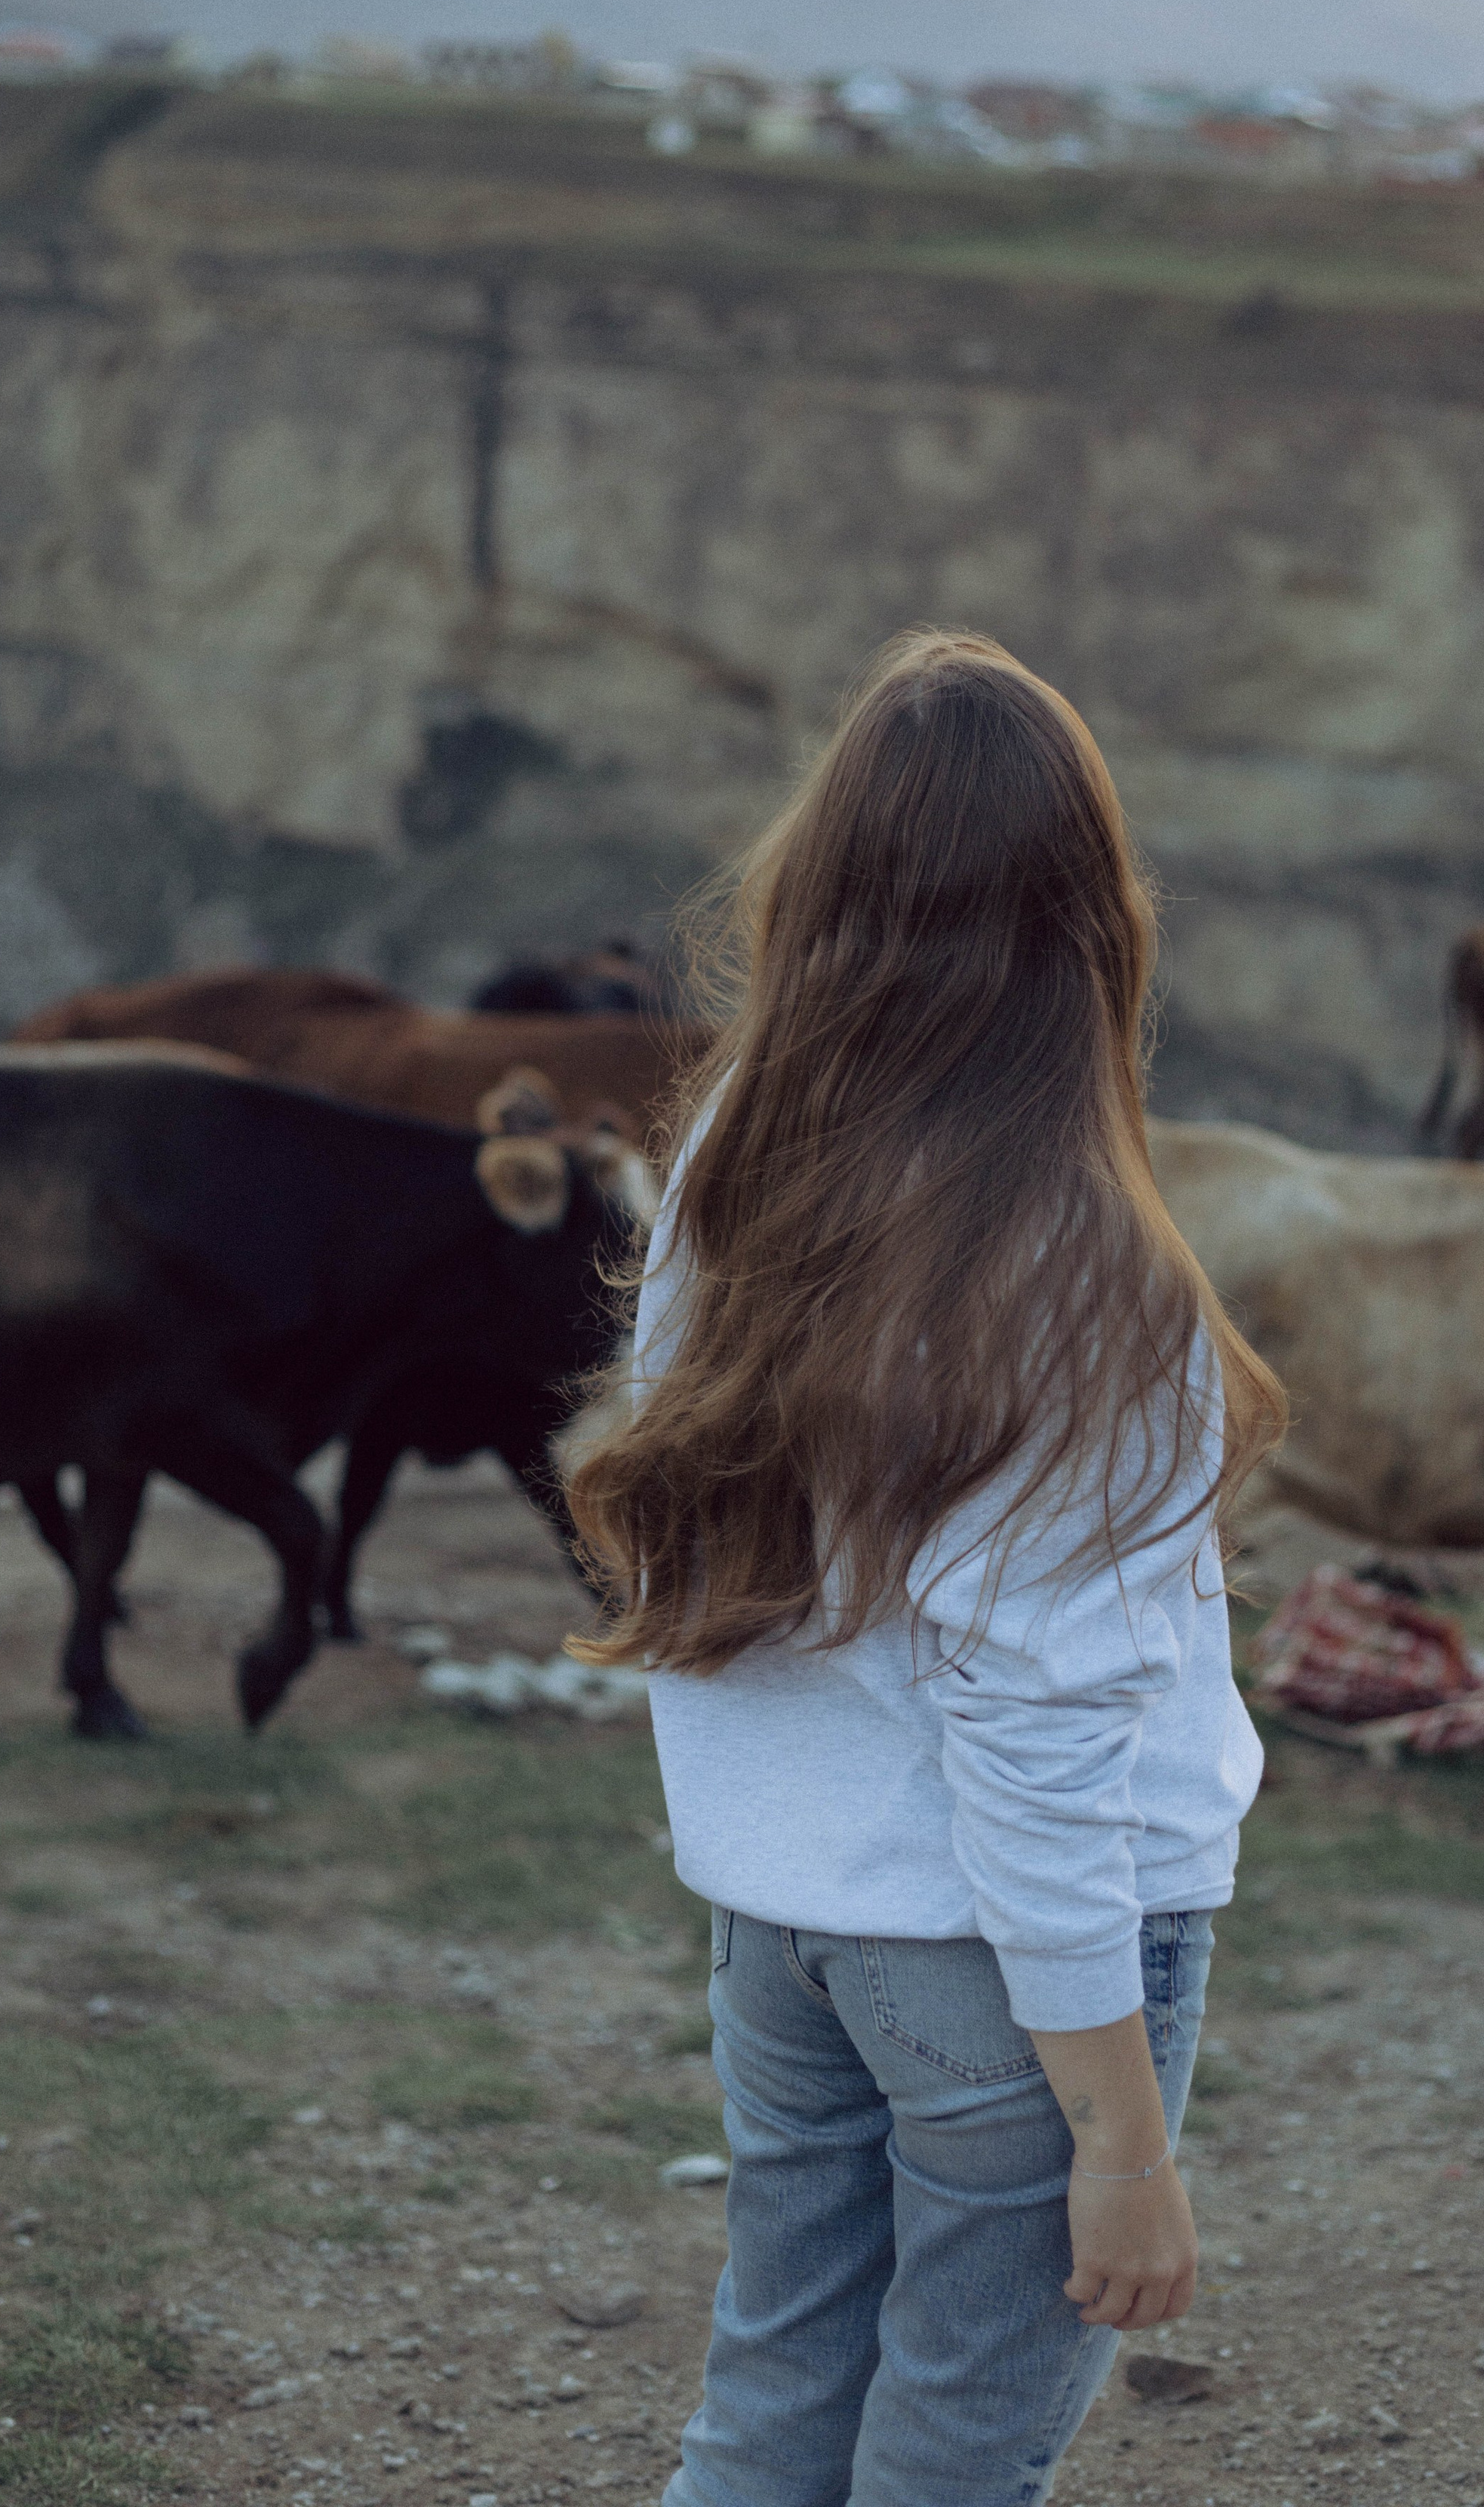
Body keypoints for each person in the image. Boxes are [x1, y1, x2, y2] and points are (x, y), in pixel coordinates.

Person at [568, 629, 1285, 2507]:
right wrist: (1119, 2144)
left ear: (822, 878)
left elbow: (696, 1516)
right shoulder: (1074, 1260)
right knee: (954, 2451)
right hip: (992, 1954)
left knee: (773, 2396)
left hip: (783, 1929)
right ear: (1087, 910)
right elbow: (1033, 1728)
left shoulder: (736, 1140)